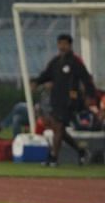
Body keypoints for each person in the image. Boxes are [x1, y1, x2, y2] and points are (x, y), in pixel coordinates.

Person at [31, 33, 96, 166]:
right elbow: (46, 74)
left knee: (59, 126)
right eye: (60, 43)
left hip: (70, 100)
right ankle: (81, 151)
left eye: (65, 44)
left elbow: (86, 79)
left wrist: (90, 96)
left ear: (70, 45)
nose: (62, 46)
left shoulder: (75, 62)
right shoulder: (55, 62)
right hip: (56, 99)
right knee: (59, 130)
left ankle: (54, 157)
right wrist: (36, 82)